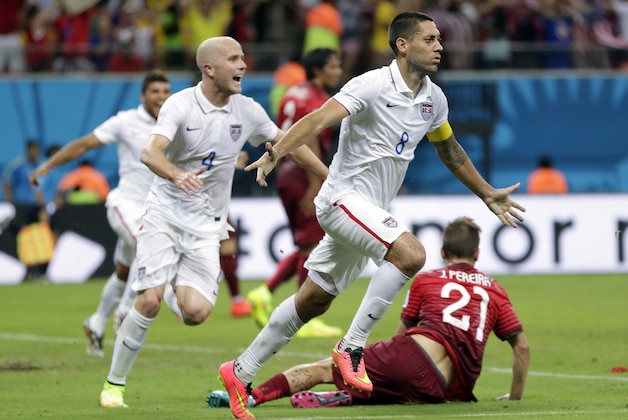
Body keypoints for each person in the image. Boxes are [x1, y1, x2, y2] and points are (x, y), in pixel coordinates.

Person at [219, 11, 526, 420]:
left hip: (370, 212)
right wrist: (276, 152)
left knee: (312, 301)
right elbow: (316, 119)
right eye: (429, 39)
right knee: (411, 255)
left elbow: (449, 150)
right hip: (342, 200)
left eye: (439, 40)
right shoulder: (371, 84)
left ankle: (240, 371)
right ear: (403, 45)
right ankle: (352, 347)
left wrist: (486, 192)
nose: (440, 46)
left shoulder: (435, 99)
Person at [97, 36, 328, 409]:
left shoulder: (247, 110)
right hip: (164, 216)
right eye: (234, 59)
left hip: (208, 226)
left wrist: (329, 176)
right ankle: (114, 385)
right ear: (209, 69)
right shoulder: (180, 105)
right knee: (151, 302)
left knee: (196, 314)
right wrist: (175, 174)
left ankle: (166, 286)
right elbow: (149, 151)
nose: (243, 65)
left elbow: (287, 142)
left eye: (243, 57)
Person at [208, 217, 529, 409]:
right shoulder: (495, 289)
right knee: (397, 385)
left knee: (331, 367)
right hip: (449, 388)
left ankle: (252, 396)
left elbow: (403, 336)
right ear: (477, 253)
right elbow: (522, 347)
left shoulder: (428, 280)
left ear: (443, 253)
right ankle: (345, 396)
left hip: (415, 358)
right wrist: (514, 398)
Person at [30, 70, 172, 357]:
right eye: (155, 91)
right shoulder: (125, 121)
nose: (161, 96)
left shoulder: (174, 121)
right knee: (148, 246)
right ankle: (123, 311)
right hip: (126, 205)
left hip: (156, 209)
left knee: (123, 270)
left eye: (166, 91)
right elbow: (84, 144)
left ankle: (95, 322)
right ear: (142, 96)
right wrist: (48, 166)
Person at [247, 47, 343, 337]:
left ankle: (265, 293)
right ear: (318, 71)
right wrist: (316, 183)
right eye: (334, 66)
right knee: (312, 247)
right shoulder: (316, 99)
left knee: (305, 245)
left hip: (286, 174)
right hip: (303, 174)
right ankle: (306, 316)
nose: (338, 71)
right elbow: (309, 137)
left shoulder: (293, 93)